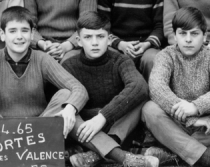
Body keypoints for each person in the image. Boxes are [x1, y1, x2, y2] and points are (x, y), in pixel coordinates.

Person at [141, 7, 210, 167]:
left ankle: (175, 153)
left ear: (204, 36)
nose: (188, 39)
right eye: (182, 33)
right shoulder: (166, 55)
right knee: (149, 109)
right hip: (176, 122)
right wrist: (191, 120)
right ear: (175, 35)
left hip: (207, 123)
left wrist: (196, 107)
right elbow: (157, 88)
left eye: (194, 34)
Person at [0, 6, 89, 142]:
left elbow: (78, 88)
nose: (19, 36)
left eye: (24, 30)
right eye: (12, 31)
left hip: (40, 129)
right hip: (4, 132)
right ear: (2, 34)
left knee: (65, 95)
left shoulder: (42, 59)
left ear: (32, 34)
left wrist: (71, 108)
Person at [62, 12, 156, 167]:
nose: (94, 42)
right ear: (78, 41)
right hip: (87, 130)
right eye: (88, 37)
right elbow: (60, 98)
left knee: (141, 97)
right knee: (68, 107)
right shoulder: (69, 65)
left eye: (100, 36)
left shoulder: (120, 60)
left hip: (117, 126)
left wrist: (103, 116)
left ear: (108, 39)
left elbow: (140, 87)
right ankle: (112, 153)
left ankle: (98, 154)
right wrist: (95, 117)